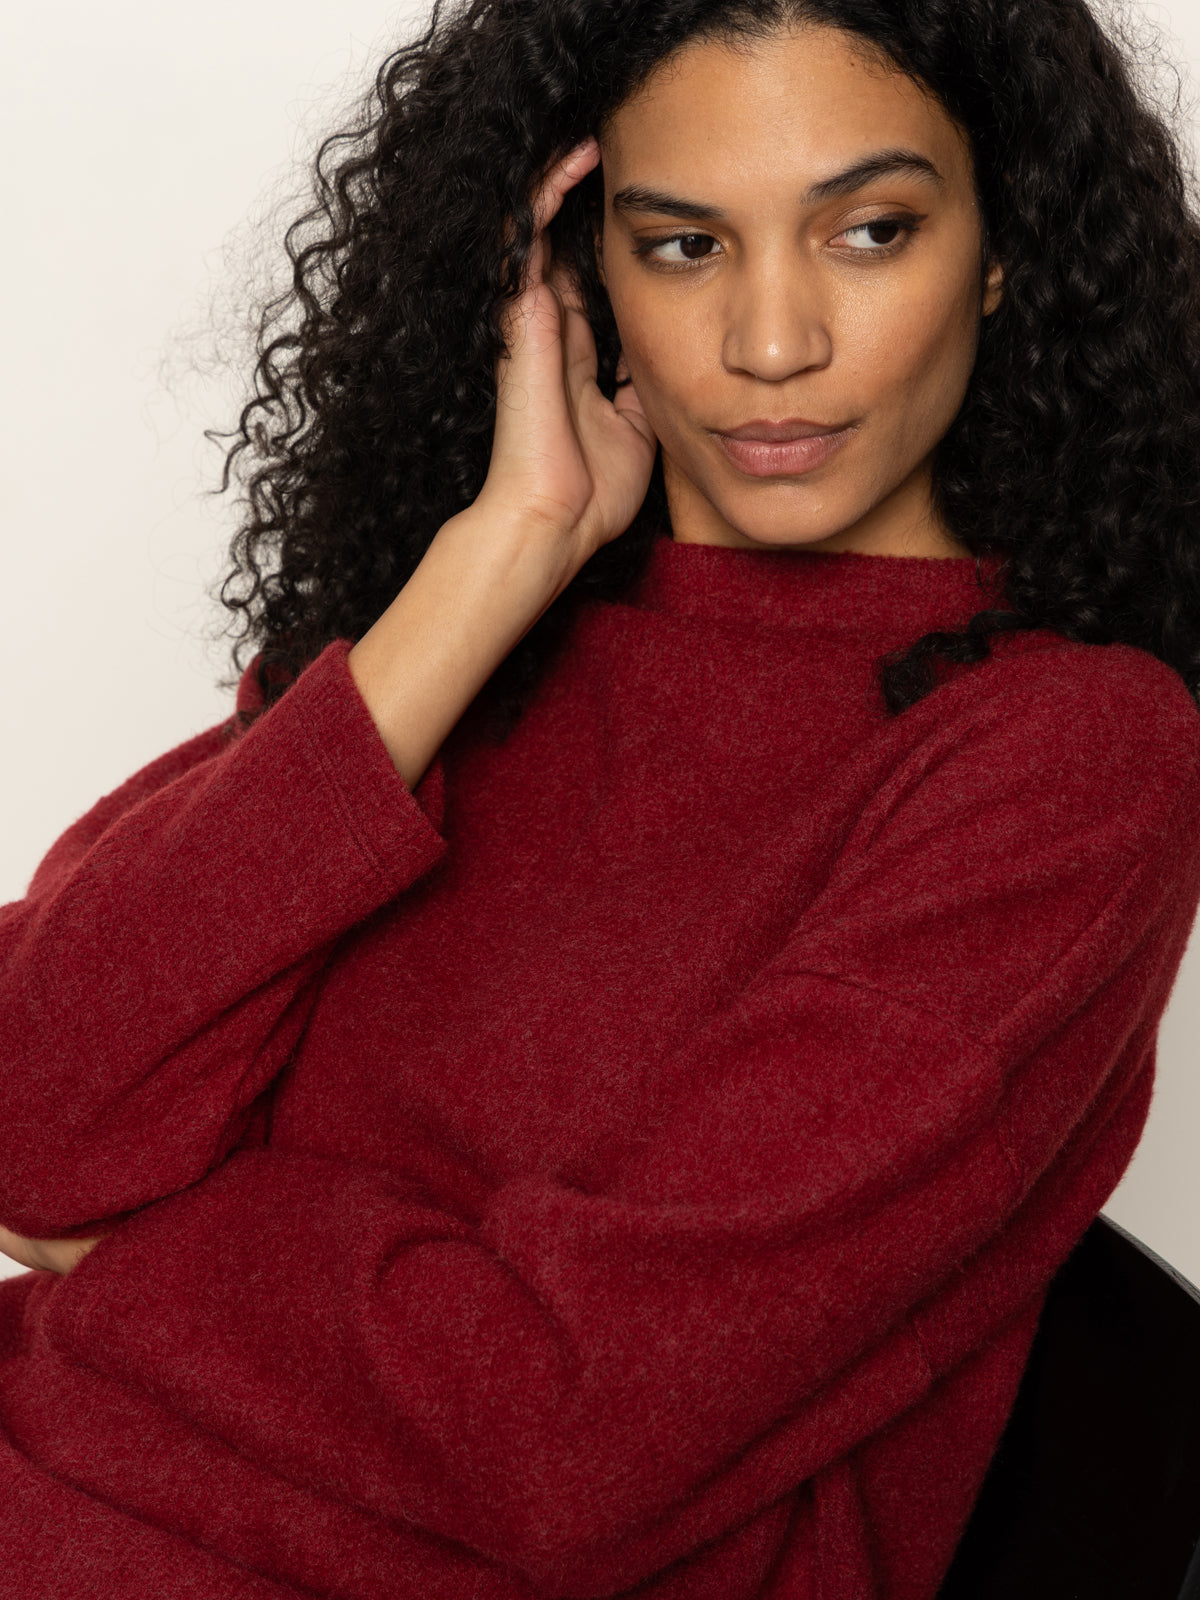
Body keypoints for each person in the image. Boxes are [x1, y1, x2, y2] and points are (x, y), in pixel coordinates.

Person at [2, 0, 1199, 1594]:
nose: (774, 345)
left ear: (1000, 248)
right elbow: (34, 1116)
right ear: (583, 277)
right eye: (685, 246)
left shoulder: (1066, 755)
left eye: (870, 230)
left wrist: (138, 1259)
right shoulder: (442, 651)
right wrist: (499, 561)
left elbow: (564, 1432)